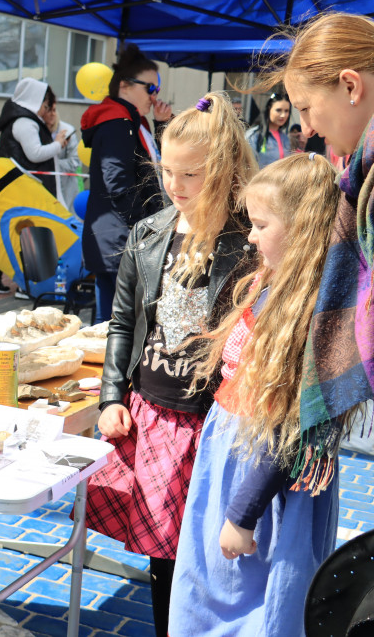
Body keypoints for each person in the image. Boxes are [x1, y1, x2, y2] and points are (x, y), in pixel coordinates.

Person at [82, 93, 257, 637]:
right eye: (167, 170)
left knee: (206, 553)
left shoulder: (250, 240)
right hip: (152, 415)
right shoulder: (149, 232)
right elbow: (122, 323)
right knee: (163, 558)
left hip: (209, 421)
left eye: (191, 174)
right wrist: (112, 396)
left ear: (224, 170)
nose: (175, 185)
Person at [168, 153, 342, 635]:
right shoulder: (277, 286)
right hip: (236, 455)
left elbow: (284, 428)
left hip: (260, 479)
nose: (249, 235)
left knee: (253, 612)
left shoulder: (307, 315)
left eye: (261, 224)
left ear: (303, 231)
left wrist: (243, 515)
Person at [80, 44, 173, 324]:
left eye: (157, 89)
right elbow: (118, 182)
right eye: (150, 89)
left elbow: (164, 164)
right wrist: (145, 228)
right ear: (125, 86)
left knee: (117, 323)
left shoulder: (133, 121)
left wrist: (162, 125)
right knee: (115, 324)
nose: (155, 96)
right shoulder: (116, 122)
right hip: (119, 238)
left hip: (122, 236)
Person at [0, 77, 71, 297]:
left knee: (20, 233)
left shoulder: (21, 120)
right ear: (35, 101)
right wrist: (58, 144)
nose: (46, 110)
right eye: (45, 105)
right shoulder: (25, 122)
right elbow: (35, 153)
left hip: (18, 184)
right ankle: (26, 285)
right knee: (28, 234)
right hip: (24, 186)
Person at [44, 98, 83, 212]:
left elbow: (75, 162)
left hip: (67, 188)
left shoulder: (67, 132)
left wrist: (52, 164)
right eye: (48, 110)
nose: (52, 114)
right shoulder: (36, 131)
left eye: (54, 110)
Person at [246, 92, 292, 168]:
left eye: (286, 111)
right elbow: (246, 166)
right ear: (269, 109)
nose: (283, 115)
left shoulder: (285, 138)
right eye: (278, 110)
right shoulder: (254, 135)